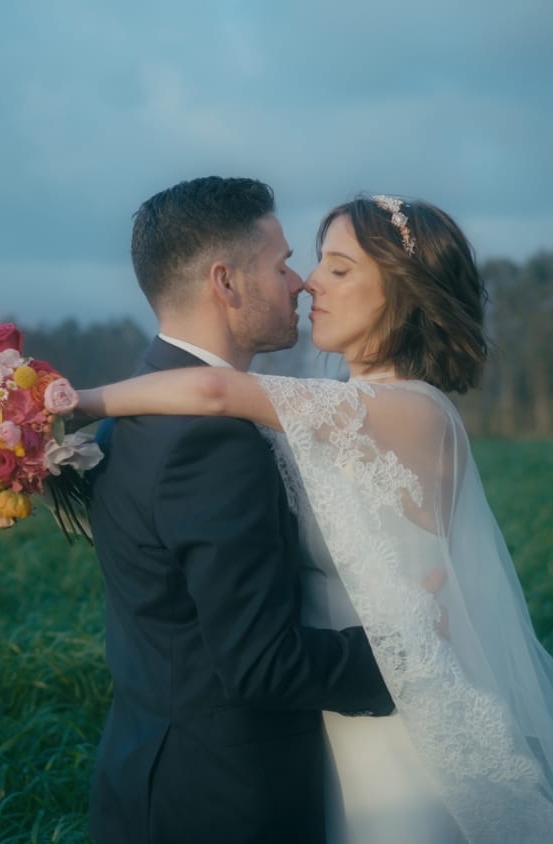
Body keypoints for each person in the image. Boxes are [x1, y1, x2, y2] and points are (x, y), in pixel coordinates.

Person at [80, 194, 553, 842]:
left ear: (401, 295)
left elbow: (212, 391)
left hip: (393, 722)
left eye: (339, 269)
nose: (311, 281)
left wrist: (78, 403)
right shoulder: (324, 413)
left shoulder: (415, 414)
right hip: (324, 714)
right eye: (316, 262)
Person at [86, 176, 396, 844]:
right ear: (225, 283)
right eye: (282, 265)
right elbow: (263, 665)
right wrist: (411, 663)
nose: (301, 284)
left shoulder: (126, 416)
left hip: (146, 777)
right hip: (224, 805)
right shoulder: (210, 443)